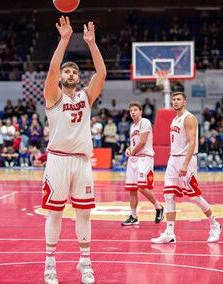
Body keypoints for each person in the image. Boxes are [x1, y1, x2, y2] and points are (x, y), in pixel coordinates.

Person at [41, 16, 106, 284]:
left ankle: (85, 263)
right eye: (67, 72)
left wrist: (91, 43)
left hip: (81, 161)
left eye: (74, 72)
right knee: (55, 213)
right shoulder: (52, 95)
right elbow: (53, 70)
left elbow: (101, 74)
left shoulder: (85, 97)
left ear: (79, 78)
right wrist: (65, 39)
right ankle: (50, 265)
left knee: (84, 213)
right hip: (57, 160)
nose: (70, 74)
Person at [151, 92, 222, 244]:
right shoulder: (175, 119)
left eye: (178, 99)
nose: (175, 102)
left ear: (185, 102)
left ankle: (215, 225)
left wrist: (185, 163)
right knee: (169, 195)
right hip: (173, 159)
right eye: (174, 99)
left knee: (194, 196)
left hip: (186, 160)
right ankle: (169, 233)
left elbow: (192, 143)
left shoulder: (189, 118)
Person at [121, 101, 164, 226]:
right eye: (131, 110)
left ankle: (159, 207)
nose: (133, 112)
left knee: (142, 188)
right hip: (134, 158)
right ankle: (133, 216)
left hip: (144, 158)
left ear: (141, 111)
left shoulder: (144, 122)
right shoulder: (132, 126)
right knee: (132, 189)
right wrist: (129, 149)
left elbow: (143, 142)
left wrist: (133, 152)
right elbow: (135, 143)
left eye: (135, 109)